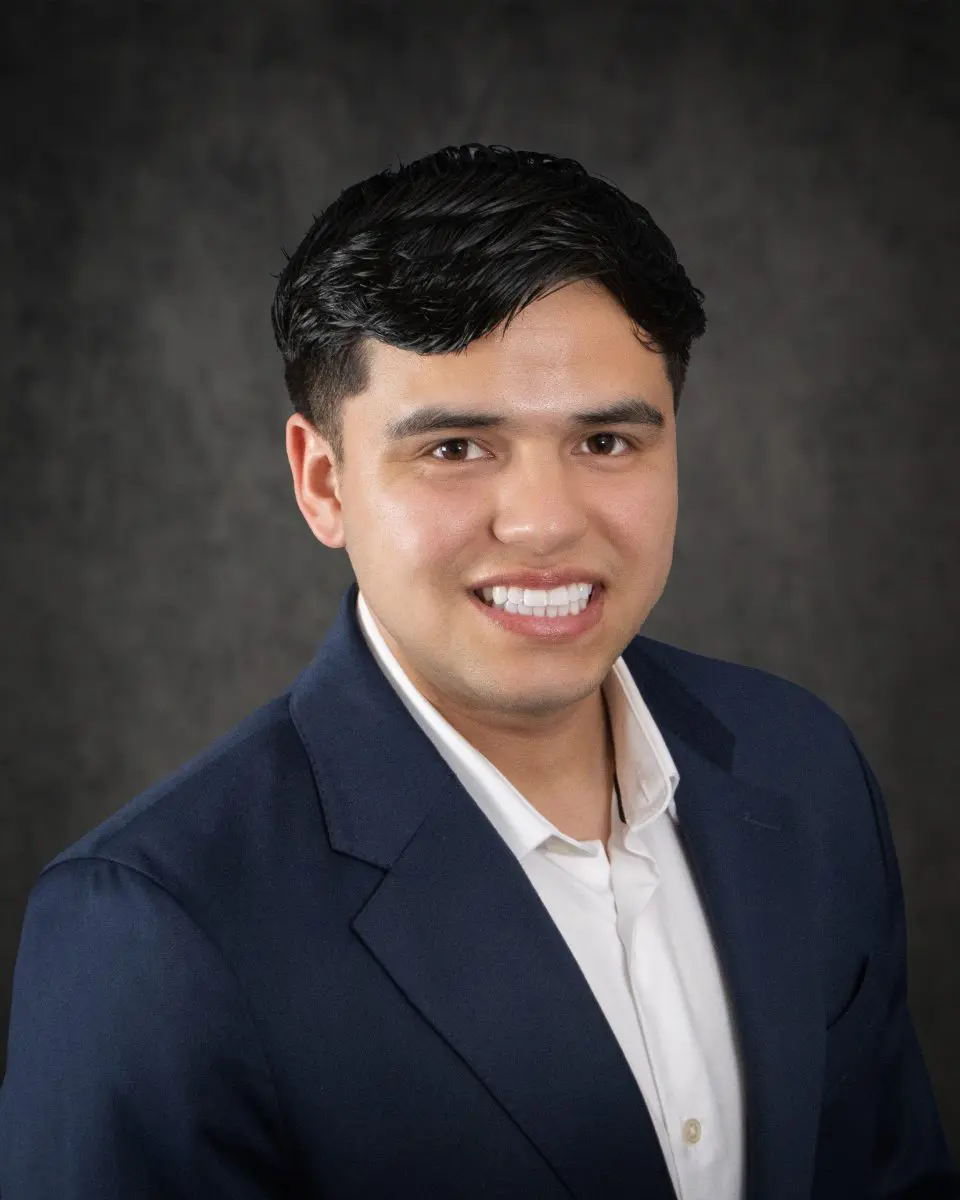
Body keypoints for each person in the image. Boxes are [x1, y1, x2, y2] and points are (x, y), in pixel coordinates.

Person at [0, 143, 956, 1199]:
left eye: (605, 440)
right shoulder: (150, 932)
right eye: (456, 447)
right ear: (324, 482)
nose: (545, 522)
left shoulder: (802, 767)